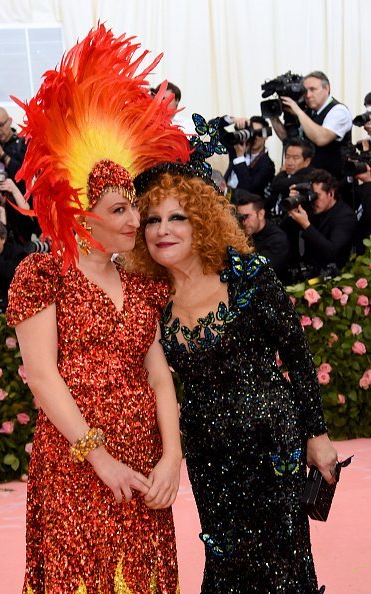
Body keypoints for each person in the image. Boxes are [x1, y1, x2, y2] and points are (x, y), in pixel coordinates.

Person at [5, 25, 189, 594]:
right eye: (120, 210)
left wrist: (172, 459)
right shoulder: (43, 275)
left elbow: (159, 376)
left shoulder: (142, 282)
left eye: (135, 206)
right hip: (75, 464)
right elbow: (42, 375)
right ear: (82, 216)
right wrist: (99, 458)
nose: (137, 220)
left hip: (146, 461)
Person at [127, 151, 338, 592]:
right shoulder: (149, 298)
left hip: (272, 446)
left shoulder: (247, 274)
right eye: (152, 220)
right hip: (208, 453)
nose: (163, 230)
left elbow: (297, 358)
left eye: (177, 217)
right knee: (225, 563)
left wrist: (316, 437)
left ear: (201, 220)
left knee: (281, 562)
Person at [270, 71, 352, 178]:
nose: (308, 95)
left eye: (313, 89)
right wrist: (273, 116)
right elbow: (288, 139)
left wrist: (298, 112)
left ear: (326, 88)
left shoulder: (338, 111)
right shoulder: (308, 111)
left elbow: (321, 138)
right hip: (309, 178)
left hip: (332, 182)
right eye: (305, 91)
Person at [287, 168, 357, 276]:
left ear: (331, 194)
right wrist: (295, 205)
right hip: (308, 271)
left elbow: (332, 251)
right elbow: (286, 230)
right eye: (311, 195)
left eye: (317, 196)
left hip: (333, 276)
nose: (313, 200)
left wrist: (306, 225)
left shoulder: (345, 216)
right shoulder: (311, 207)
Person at [235, 190, 290, 281]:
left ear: (261, 214)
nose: (243, 222)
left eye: (247, 216)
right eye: (240, 217)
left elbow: (259, 272)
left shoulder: (277, 240)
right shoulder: (244, 234)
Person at [223, 116, 275, 197]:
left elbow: (249, 189)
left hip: (242, 205)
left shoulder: (267, 165)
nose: (255, 137)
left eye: (259, 133)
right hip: (223, 199)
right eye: (252, 133)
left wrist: (240, 158)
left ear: (266, 136)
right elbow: (213, 127)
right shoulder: (237, 147)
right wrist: (234, 120)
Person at [265, 138, 315, 214]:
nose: (289, 163)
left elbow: (277, 184)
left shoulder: (309, 176)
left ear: (307, 161)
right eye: (287, 157)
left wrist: (283, 171)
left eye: (295, 158)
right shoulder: (288, 174)